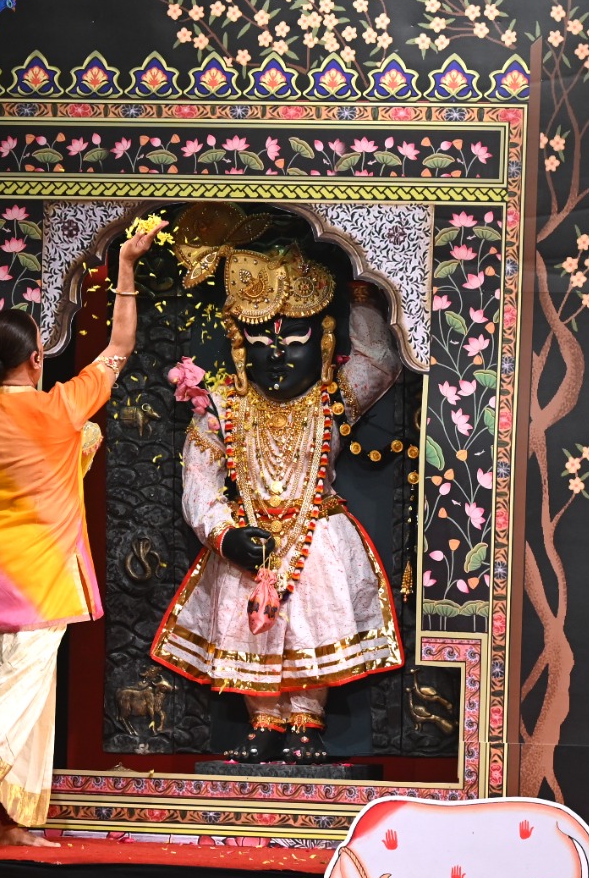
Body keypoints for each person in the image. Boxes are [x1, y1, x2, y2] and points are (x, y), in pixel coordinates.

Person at [0, 221, 165, 850]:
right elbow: (120, 345)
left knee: (4, 695)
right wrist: (126, 264)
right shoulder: (60, 409)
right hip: (37, 580)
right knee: (20, 694)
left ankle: (9, 819)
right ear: (36, 358)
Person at [151, 204, 404, 764]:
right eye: (261, 344)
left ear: (323, 343)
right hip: (248, 540)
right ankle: (263, 720)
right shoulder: (221, 406)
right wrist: (224, 535)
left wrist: (363, 288)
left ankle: (306, 722)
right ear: (240, 347)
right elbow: (200, 484)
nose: (278, 355)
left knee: (313, 623)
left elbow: (380, 361)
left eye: (294, 341)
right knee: (250, 624)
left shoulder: (332, 400)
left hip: (318, 536)